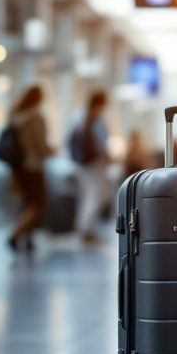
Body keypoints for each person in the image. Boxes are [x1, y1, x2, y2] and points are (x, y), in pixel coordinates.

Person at [8, 85, 54, 252]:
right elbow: (40, 144)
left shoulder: (16, 116)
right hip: (34, 166)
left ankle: (28, 239)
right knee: (37, 204)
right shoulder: (36, 118)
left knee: (27, 203)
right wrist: (50, 151)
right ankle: (16, 233)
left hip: (19, 167)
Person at [70, 91, 111, 246]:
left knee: (87, 196)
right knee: (96, 196)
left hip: (81, 164)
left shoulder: (78, 116)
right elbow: (101, 144)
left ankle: (83, 228)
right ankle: (85, 229)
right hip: (94, 164)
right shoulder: (94, 120)